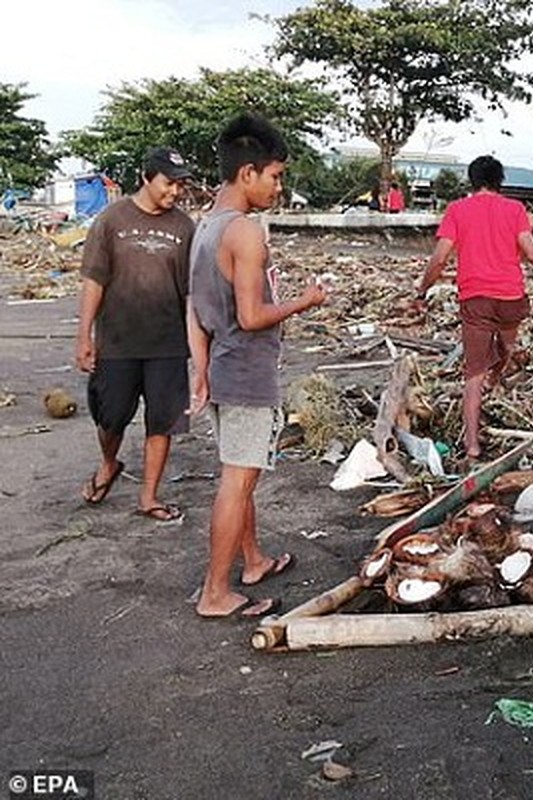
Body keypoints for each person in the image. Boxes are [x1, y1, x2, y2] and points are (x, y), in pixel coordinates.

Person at [188, 114, 329, 618]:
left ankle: (252, 561)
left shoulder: (206, 226)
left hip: (222, 369)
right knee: (238, 482)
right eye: (275, 176)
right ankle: (214, 593)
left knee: (238, 475)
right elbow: (250, 317)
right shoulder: (245, 232)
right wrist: (305, 302)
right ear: (248, 173)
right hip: (246, 372)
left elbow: (193, 307)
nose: (279, 186)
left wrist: (200, 370)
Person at [415, 155, 533, 461]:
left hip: (475, 299)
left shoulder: (457, 211)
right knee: (507, 347)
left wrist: (423, 289)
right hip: (511, 297)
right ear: (501, 180)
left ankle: (472, 444)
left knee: (473, 374)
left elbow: (439, 258)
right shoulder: (515, 210)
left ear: (471, 181)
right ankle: (496, 376)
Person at [76, 147, 196, 521]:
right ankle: (109, 463)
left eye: (179, 185)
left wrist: (197, 343)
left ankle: (149, 496)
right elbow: (93, 280)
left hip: (168, 343)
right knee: (110, 417)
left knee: (162, 420)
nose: (174, 192)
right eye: (168, 183)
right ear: (146, 177)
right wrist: (84, 337)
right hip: (117, 342)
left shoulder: (184, 227)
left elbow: (191, 291)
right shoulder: (112, 220)